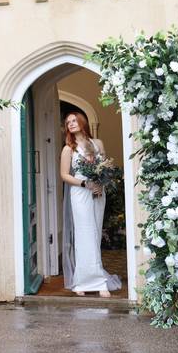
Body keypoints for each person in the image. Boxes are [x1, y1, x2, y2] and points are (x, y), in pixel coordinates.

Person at [59, 111, 121, 297]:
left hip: (98, 193)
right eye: (68, 122)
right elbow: (64, 175)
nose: (71, 124)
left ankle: (99, 279)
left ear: (82, 122)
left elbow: (106, 167)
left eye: (74, 120)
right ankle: (83, 282)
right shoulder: (68, 149)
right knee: (84, 233)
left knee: (95, 233)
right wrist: (85, 183)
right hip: (80, 192)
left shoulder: (98, 144)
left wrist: (101, 184)